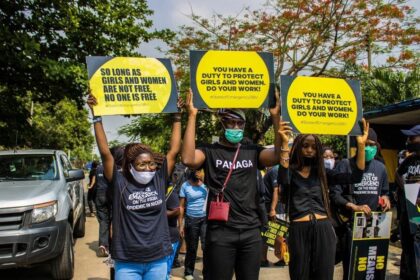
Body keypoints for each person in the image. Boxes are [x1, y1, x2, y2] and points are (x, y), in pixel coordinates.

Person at [181, 89, 281, 280]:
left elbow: (276, 156)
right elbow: (187, 158)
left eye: (239, 123)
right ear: (222, 123)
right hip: (220, 233)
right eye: (230, 122)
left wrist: (275, 117)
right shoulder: (210, 151)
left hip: (251, 232)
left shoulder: (252, 150)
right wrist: (192, 115)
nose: (235, 127)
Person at [87, 94, 182, 280]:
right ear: (130, 166)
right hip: (127, 261)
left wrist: (177, 116)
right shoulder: (120, 182)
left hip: (158, 258)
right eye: (142, 164)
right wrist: (96, 116)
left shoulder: (159, 179)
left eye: (151, 164)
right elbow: (106, 153)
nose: (148, 168)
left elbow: (174, 151)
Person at [277, 118, 369, 280]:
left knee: (324, 275)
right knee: (299, 275)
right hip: (299, 231)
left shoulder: (323, 174)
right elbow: (283, 183)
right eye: (305, 146)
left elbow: (356, 175)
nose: (310, 150)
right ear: (298, 147)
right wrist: (285, 145)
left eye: (313, 147)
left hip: (324, 229)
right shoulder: (289, 172)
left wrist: (360, 146)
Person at [330, 128, 391, 280]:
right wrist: (354, 207)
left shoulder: (381, 168)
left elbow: (384, 191)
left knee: (371, 268)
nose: (369, 148)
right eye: (366, 144)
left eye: (372, 145)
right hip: (350, 226)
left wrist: (386, 199)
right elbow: (335, 195)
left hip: (374, 227)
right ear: (358, 144)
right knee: (352, 269)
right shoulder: (345, 165)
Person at [395, 124, 420, 280]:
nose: (408, 141)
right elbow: (398, 174)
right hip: (409, 211)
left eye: (412, 138)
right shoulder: (410, 159)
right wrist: (404, 188)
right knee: (409, 244)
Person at [178, 168, 207, 280]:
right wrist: (181, 224)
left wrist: (204, 180)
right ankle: (188, 272)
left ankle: (207, 272)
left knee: (206, 247)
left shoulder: (205, 184)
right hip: (191, 219)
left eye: (200, 171)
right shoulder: (185, 186)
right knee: (192, 248)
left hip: (205, 219)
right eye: (197, 171)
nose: (199, 173)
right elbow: (181, 206)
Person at [260, 165, 280, 267]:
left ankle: (282, 257)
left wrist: (272, 209)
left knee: (273, 232)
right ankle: (263, 259)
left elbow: (276, 190)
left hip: (272, 206)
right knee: (269, 233)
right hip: (269, 205)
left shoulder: (275, 170)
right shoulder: (274, 170)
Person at [166, 182, 181, 280]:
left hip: (170, 237)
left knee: (165, 272)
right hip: (161, 237)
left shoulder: (171, 193)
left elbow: (177, 211)